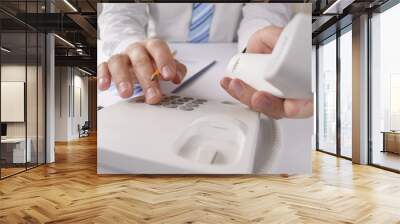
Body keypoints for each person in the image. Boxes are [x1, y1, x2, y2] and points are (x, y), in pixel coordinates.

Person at [97, 3, 313, 119]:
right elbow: (119, 12)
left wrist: (258, 46)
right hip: (161, 52)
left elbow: (264, 9)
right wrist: (129, 44)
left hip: (228, 52)